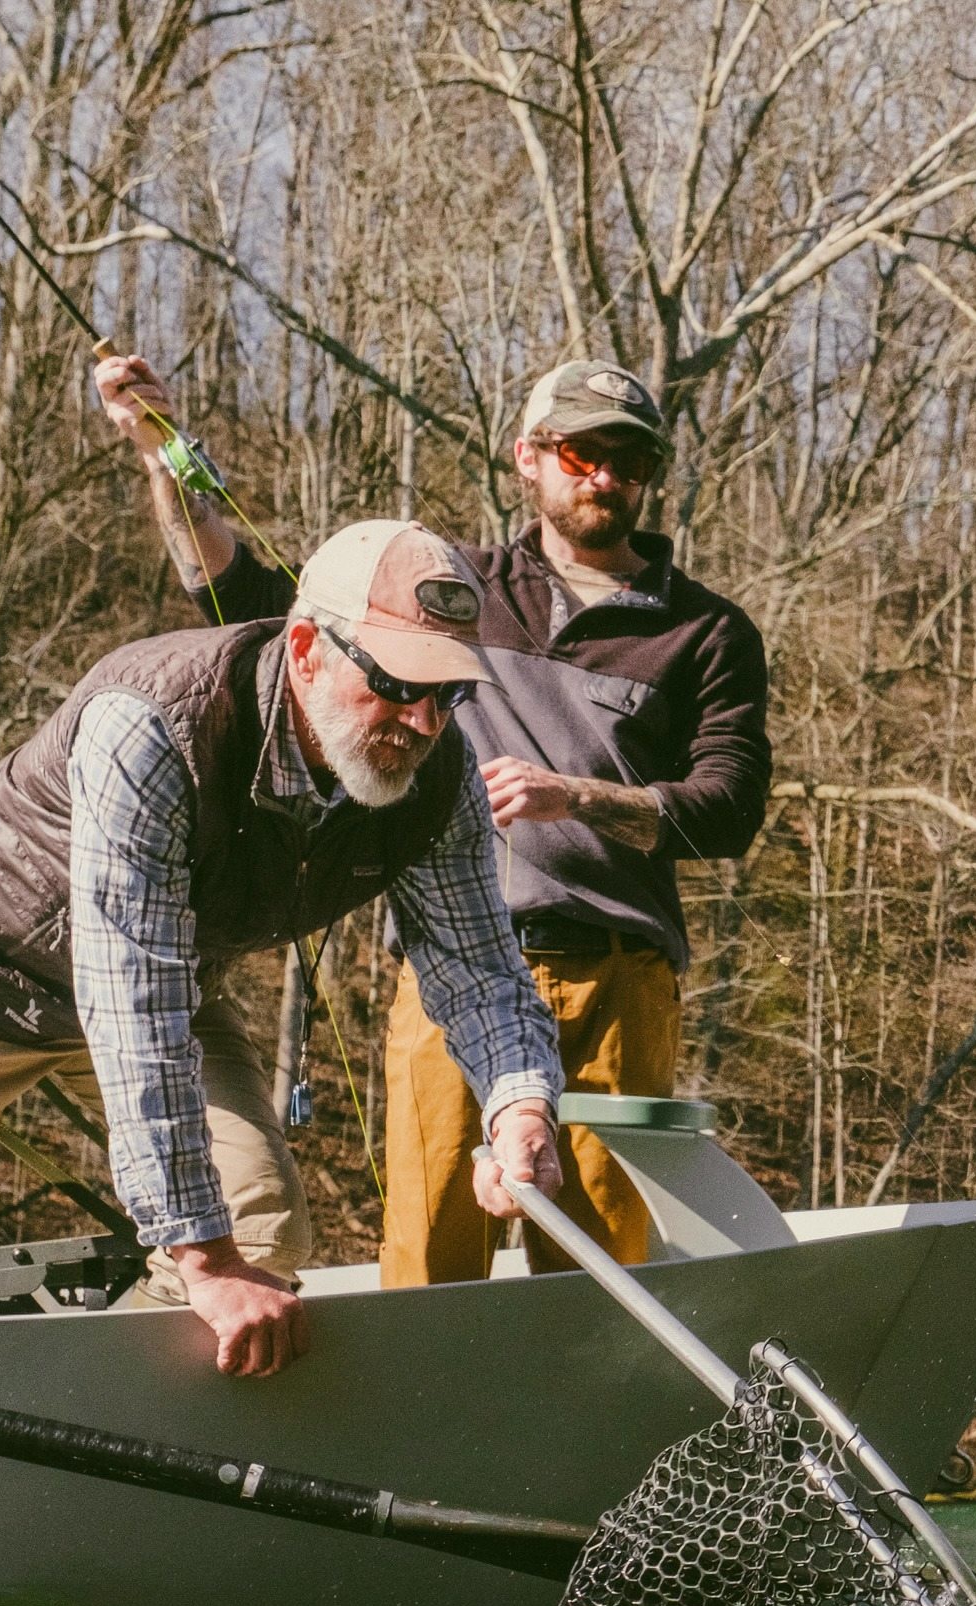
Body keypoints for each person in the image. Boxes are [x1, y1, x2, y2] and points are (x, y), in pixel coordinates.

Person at [0, 520, 566, 1373]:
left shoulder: (439, 780)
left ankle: (94, 1453)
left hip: (170, 982)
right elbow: (128, 1007)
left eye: (451, 692)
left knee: (258, 1224)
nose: (424, 720)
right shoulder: (154, 723)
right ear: (309, 648)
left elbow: (480, 971)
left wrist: (522, 1109)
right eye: (397, 681)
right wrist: (200, 1260)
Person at [94, 354, 773, 1284]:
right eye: (581, 453)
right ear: (527, 457)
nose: (607, 477)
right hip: (454, 970)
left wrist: (575, 796)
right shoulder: (449, 593)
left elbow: (729, 809)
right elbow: (241, 596)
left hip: (621, 981)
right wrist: (164, 457)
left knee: (603, 1277)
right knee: (427, 1262)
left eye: (631, 459)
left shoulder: (707, 632)